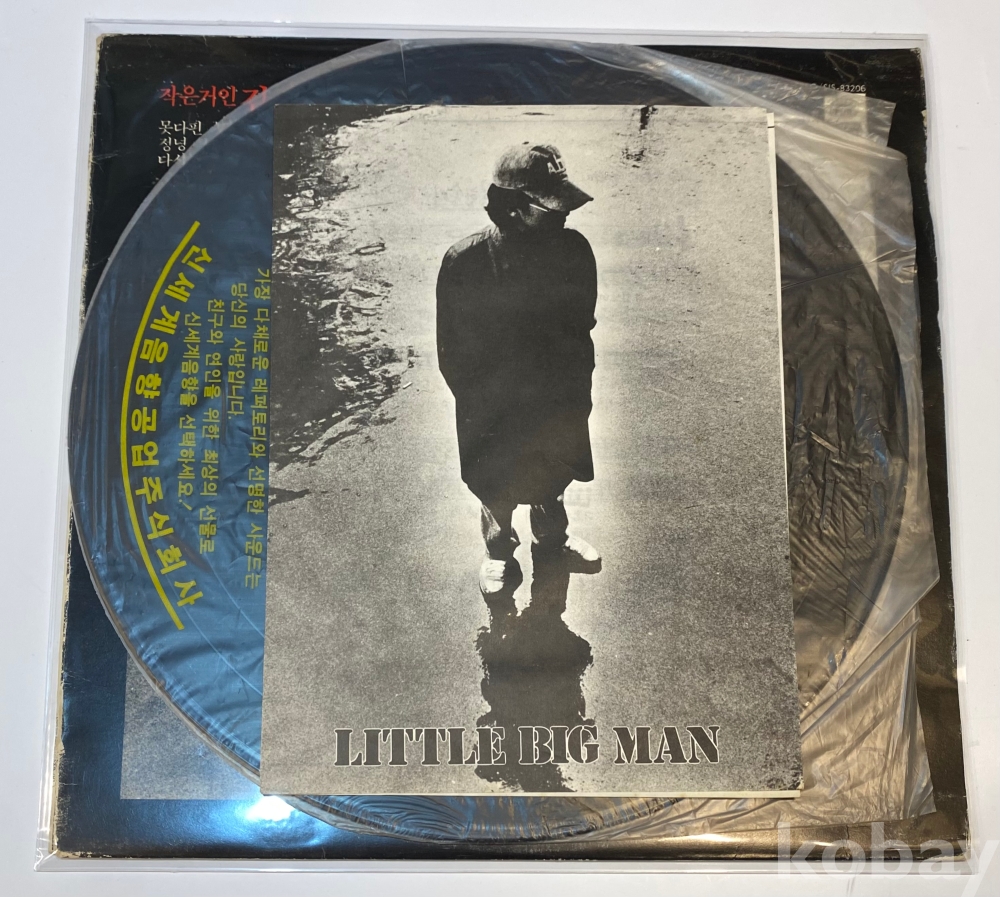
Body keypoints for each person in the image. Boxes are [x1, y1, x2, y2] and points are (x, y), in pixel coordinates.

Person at [436, 143, 602, 595]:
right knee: (498, 484)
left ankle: (554, 543)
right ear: (511, 207)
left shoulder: (575, 251)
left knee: (553, 475)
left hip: (558, 398)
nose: (563, 214)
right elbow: (452, 354)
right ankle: (498, 554)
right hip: (492, 405)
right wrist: (486, 406)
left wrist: (575, 397)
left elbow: (581, 328)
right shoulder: (465, 262)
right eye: (550, 208)